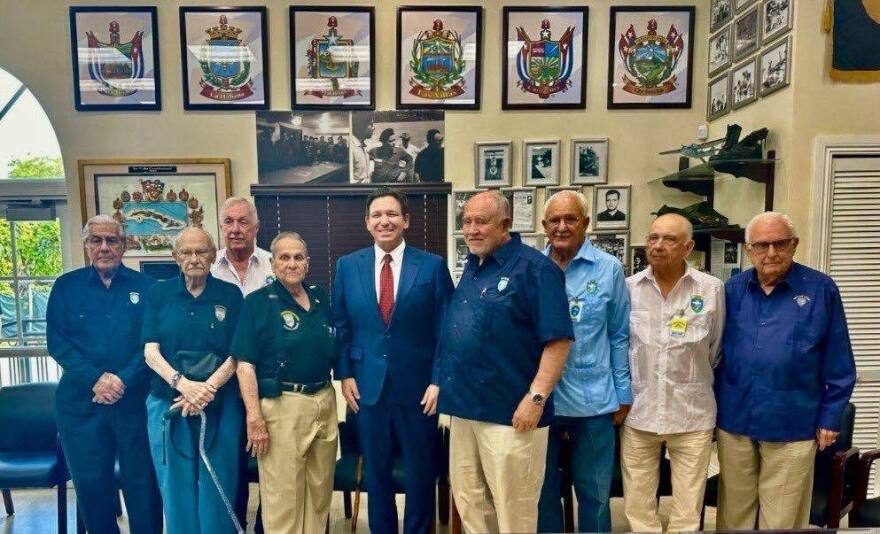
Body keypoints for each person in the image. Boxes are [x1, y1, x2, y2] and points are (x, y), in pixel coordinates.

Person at [438, 191, 573, 533]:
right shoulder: (472, 267)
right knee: (470, 502)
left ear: (506, 225)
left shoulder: (537, 269)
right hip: (465, 411)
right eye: (466, 222)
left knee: (514, 511)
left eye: (481, 221)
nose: (471, 229)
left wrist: (536, 398)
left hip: (512, 415)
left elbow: (558, 341)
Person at [715, 211, 857, 530]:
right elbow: (713, 354)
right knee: (733, 517)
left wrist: (831, 416)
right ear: (748, 249)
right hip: (736, 420)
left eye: (780, 244)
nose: (771, 253)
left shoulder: (822, 289)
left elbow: (839, 360)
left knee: (781, 520)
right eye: (762, 245)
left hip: (793, 421)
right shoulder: (731, 290)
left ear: (794, 244)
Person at [332, 187, 454, 534]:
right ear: (367, 223)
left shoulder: (432, 267)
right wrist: (344, 374)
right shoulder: (347, 266)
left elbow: (446, 330)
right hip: (367, 388)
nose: (384, 221)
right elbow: (341, 326)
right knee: (376, 473)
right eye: (377, 215)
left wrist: (438, 380)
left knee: (420, 472)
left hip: (419, 391)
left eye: (392, 214)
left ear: (406, 221)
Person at [46, 215, 162, 534]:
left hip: (134, 404)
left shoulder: (148, 288)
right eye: (96, 240)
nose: (104, 247)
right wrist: (97, 379)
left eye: (112, 240)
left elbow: (152, 343)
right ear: (86, 245)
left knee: (144, 487)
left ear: (124, 245)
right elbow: (58, 343)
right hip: (82, 407)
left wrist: (122, 379)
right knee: (92, 488)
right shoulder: (65, 287)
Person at [622, 213, 724, 532]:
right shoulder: (629, 289)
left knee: (687, 511)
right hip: (640, 412)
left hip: (691, 415)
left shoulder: (710, 290)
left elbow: (716, 350)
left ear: (688, 247)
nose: (658, 245)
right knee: (639, 507)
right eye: (653, 238)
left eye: (669, 239)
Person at [537, 191, 631, 533]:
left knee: (594, 496)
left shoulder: (609, 269)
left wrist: (623, 392)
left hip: (594, 403)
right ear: (544, 226)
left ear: (586, 224)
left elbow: (619, 334)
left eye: (571, 219)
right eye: (555, 220)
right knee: (542, 494)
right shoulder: (532, 269)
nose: (562, 227)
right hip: (542, 403)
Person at [233, 232, 339, 533]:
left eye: (298, 257)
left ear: (307, 262)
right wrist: (254, 417)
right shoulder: (257, 303)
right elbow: (244, 365)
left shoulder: (320, 298)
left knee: (319, 496)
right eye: (284, 257)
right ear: (273, 262)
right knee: (283, 498)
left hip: (324, 400)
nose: (291, 264)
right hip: (282, 406)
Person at [143, 227, 244, 534]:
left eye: (201, 251)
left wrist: (207, 389)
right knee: (175, 485)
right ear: (176, 257)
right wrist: (184, 385)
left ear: (214, 256)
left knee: (219, 483)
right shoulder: (159, 293)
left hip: (220, 404)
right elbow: (150, 350)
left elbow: (237, 353)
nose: (194, 258)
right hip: (168, 402)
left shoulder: (229, 294)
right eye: (186, 252)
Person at [212, 197, 274, 295]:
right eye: (228, 222)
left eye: (243, 222)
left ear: (256, 227)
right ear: (221, 227)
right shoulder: (210, 266)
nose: (235, 229)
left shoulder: (273, 264)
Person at [350, 115, 375, 184]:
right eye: (371, 125)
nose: (374, 128)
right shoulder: (351, 148)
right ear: (361, 127)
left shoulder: (362, 145)